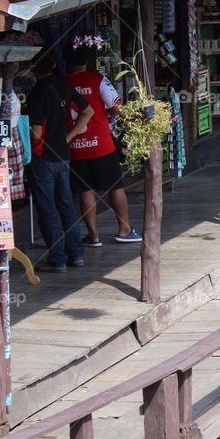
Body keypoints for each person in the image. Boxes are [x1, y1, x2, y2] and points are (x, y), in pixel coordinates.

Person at [64, 45, 140, 245]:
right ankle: (124, 229)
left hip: (75, 146)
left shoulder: (62, 84)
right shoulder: (97, 80)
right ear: (86, 61)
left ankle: (93, 235)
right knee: (116, 185)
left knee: (85, 190)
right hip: (102, 144)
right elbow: (116, 107)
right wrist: (106, 115)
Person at [27, 50, 93, 272]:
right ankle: (75, 254)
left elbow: (36, 133)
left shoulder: (37, 92)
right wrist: (68, 137)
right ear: (54, 65)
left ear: (34, 69)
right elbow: (88, 111)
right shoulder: (64, 85)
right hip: (63, 155)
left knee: (47, 208)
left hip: (42, 157)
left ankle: (57, 259)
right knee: (66, 204)